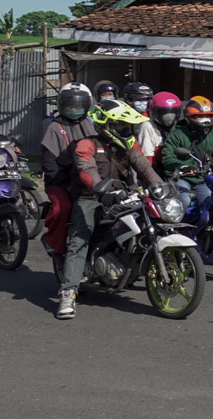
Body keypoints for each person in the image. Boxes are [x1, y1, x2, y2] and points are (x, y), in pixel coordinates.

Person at [57, 99, 163, 320]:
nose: (126, 131)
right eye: (121, 127)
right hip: (91, 198)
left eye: (128, 127)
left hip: (124, 194)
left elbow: (143, 164)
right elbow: (88, 171)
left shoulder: (128, 145)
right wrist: (101, 190)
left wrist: (159, 186)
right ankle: (68, 294)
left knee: (152, 222)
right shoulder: (86, 144)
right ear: (105, 125)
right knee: (79, 240)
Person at [39, 83, 96, 260]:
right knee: (62, 208)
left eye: (78, 106)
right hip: (61, 182)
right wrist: (67, 185)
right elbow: (49, 164)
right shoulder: (54, 127)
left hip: (88, 180)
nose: (74, 109)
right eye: (70, 105)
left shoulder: (91, 125)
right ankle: (53, 242)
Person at [161, 96, 213, 210]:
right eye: (200, 116)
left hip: (203, 178)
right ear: (190, 117)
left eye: (208, 116)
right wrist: (183, 166)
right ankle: (177, 227)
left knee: (211, 201)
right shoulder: (177, 134)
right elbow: (167, 158)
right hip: (182, 178)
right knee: (184, 201)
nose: (205, 120)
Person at [147, 91, 183, 172]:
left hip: (175, 169)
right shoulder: (148, 126)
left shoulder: (177, 127)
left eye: (173, 113)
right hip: (156, 171)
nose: (169, 118)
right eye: (164, 113)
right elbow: (148, 157)